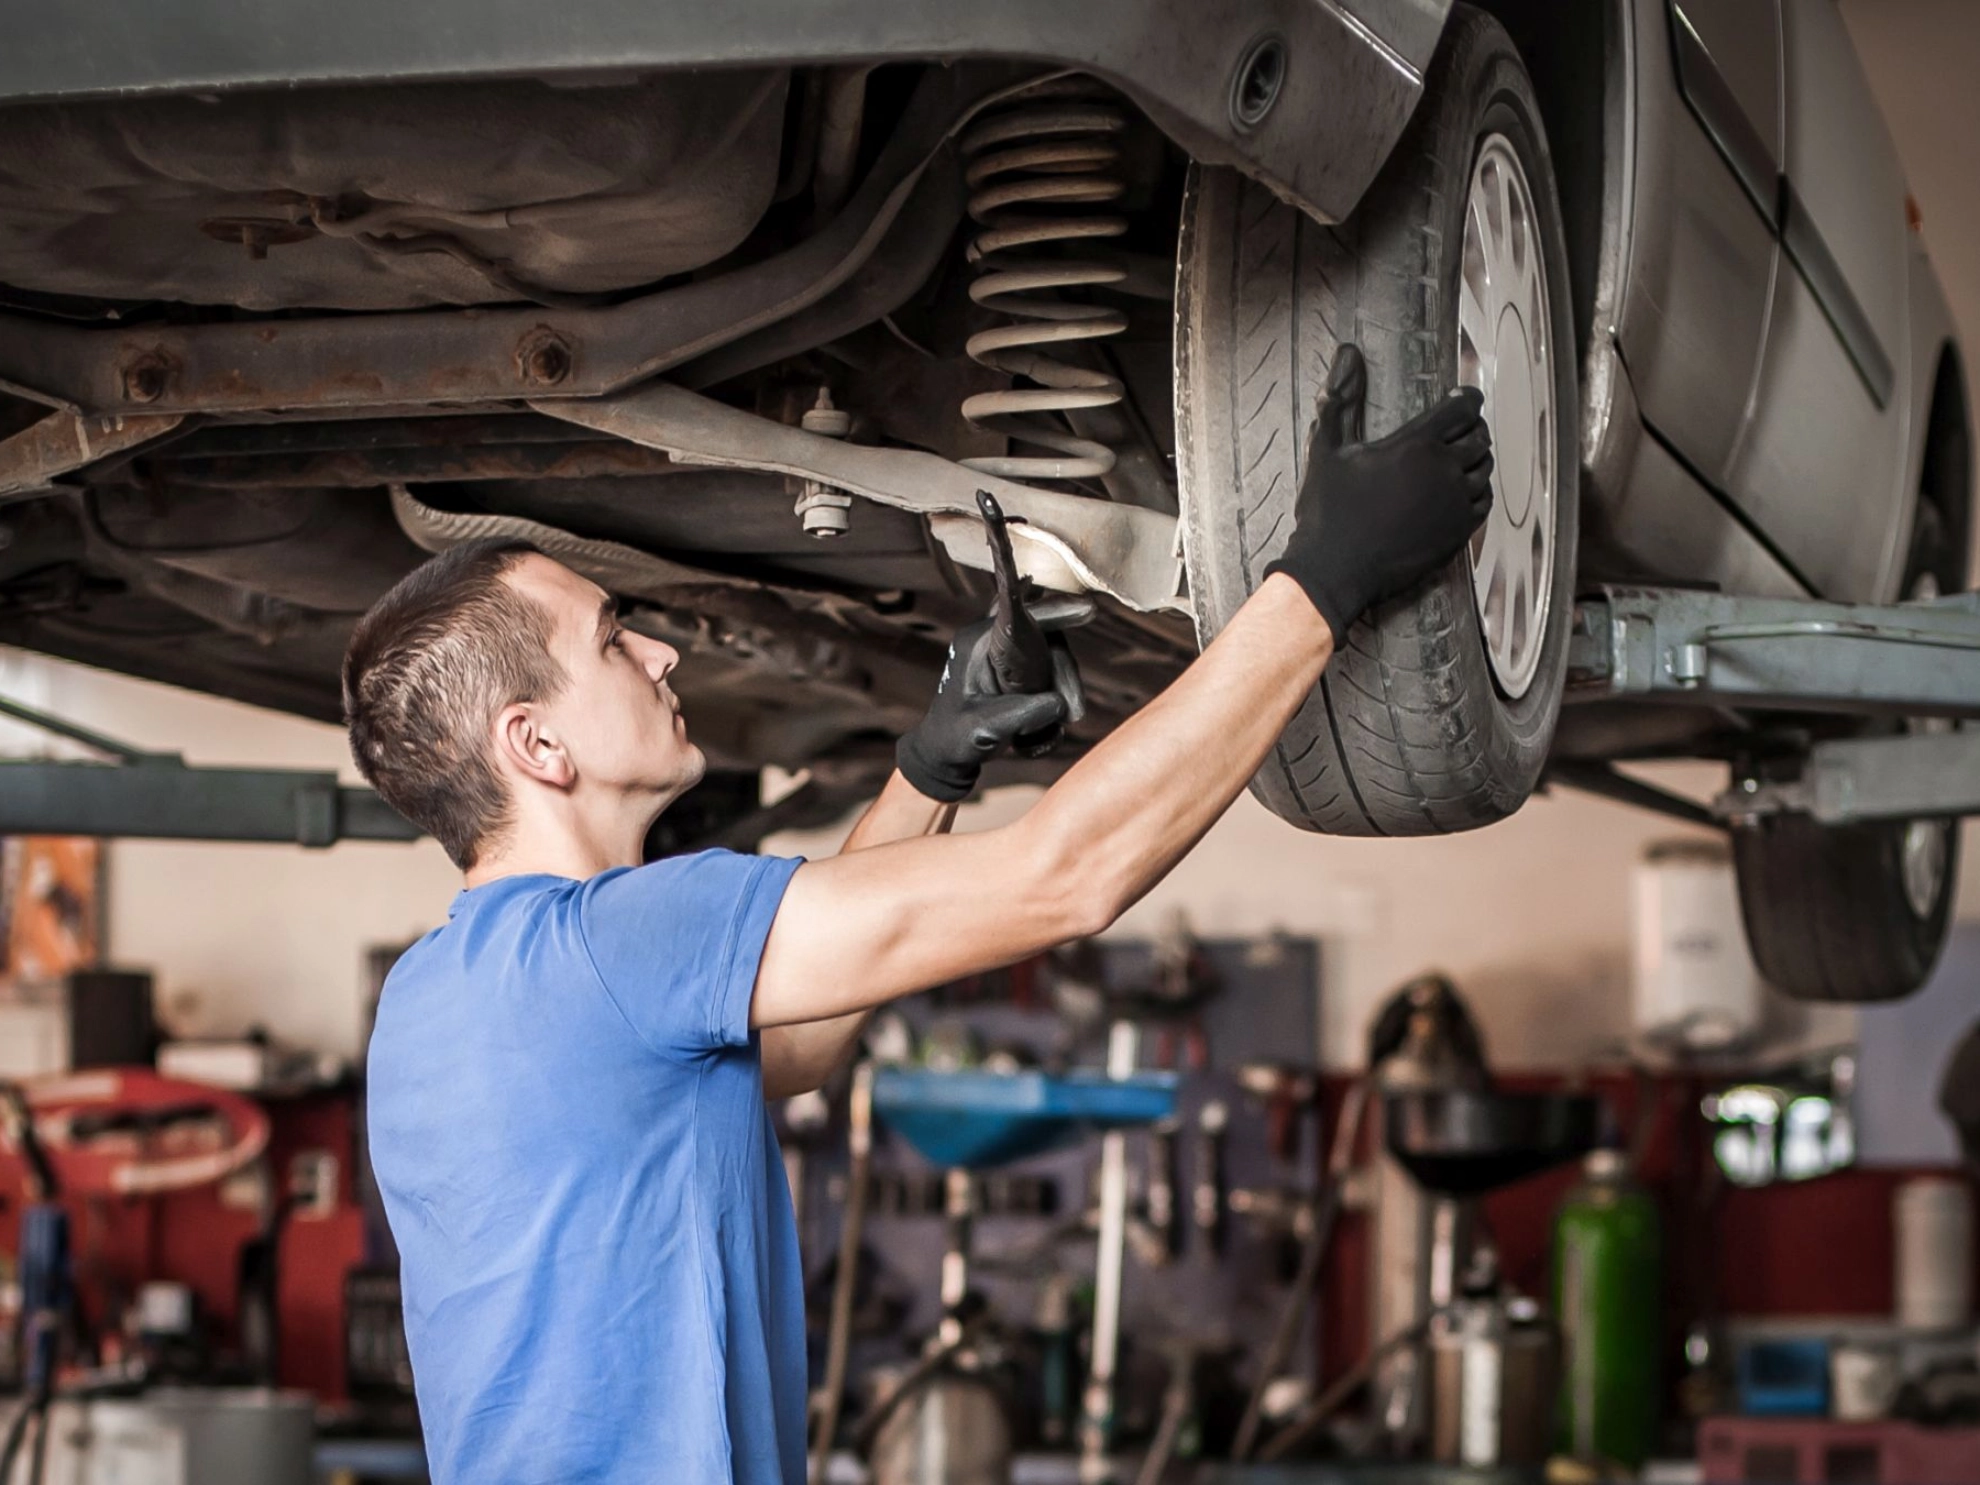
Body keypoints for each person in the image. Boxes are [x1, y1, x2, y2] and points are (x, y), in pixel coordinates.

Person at [344, 345, 1492, 1484]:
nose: (661, 650)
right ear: (537, 745)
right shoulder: (626, 938)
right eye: (610, 639)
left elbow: (789, 1050)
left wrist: (930, 769)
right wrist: (1322, 581)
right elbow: (1068, 874)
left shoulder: (431, 999)